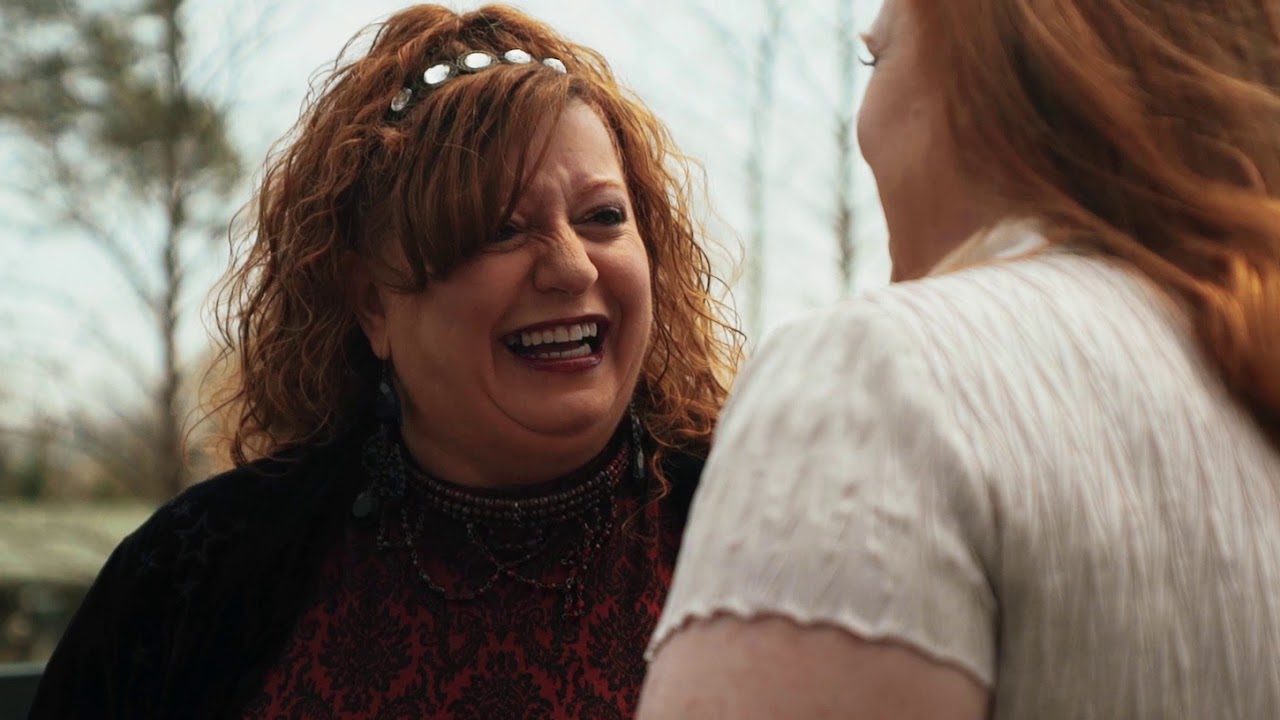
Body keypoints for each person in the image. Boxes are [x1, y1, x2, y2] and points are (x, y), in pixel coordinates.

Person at [29, 4, 741, 718]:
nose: (570, 267)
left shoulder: (755, 541)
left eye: (603, 217)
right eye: (500, 228)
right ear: (372, 303)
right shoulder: (196, 574)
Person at [638, 0, 1280, 717]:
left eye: (875, 59)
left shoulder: (879, 375)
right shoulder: (1247, 372)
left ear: (992, 73)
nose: (864, 126)